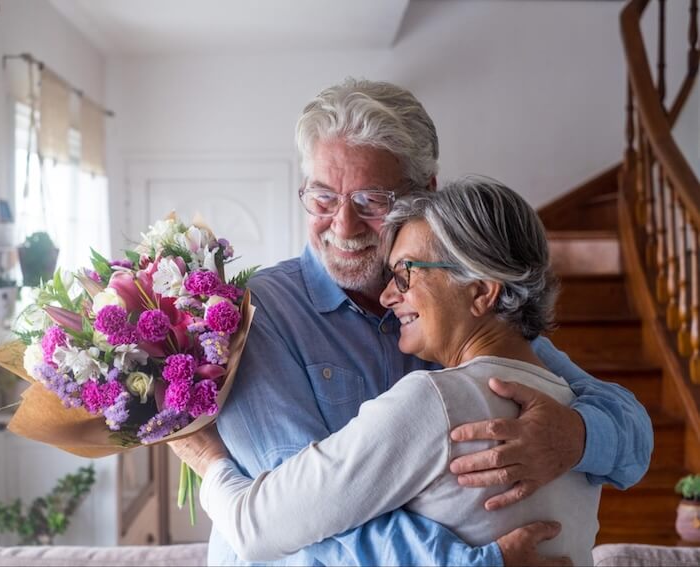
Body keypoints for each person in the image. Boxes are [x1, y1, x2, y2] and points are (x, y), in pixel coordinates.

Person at [192, 78, 652, 566]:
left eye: (371, 202)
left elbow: (629, 429)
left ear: (423, 195)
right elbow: (294, 522)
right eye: (324, 199)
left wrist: (577, 435)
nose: (343, 226)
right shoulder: (256, 312)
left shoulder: (470, 320)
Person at [172, 177, 601, 566]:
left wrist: (206, 459)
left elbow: (259, 529)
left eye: (406, 273)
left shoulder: (436, 402)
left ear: (480, 292)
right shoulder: (569, 410)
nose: (390, 295)